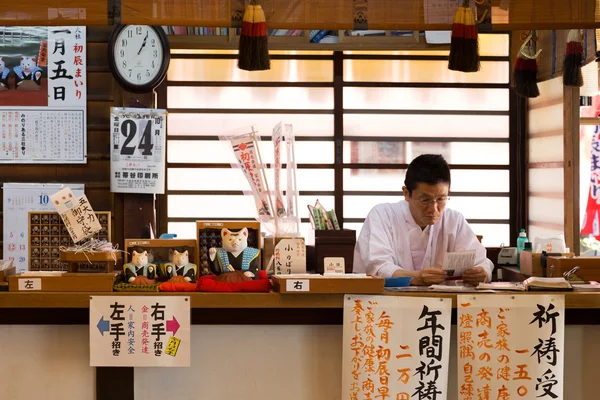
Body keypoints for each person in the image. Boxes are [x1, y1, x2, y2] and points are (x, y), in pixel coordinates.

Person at [353, 154, 493, 286]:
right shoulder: (382, 215)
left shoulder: (454, 220)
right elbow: (377, 267)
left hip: (445, 306)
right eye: (425, 200)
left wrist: (482, 273)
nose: (433, 208)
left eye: (441, 199)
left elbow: (482, 261)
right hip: (387, 304)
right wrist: (415, 278)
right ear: (406, 193)